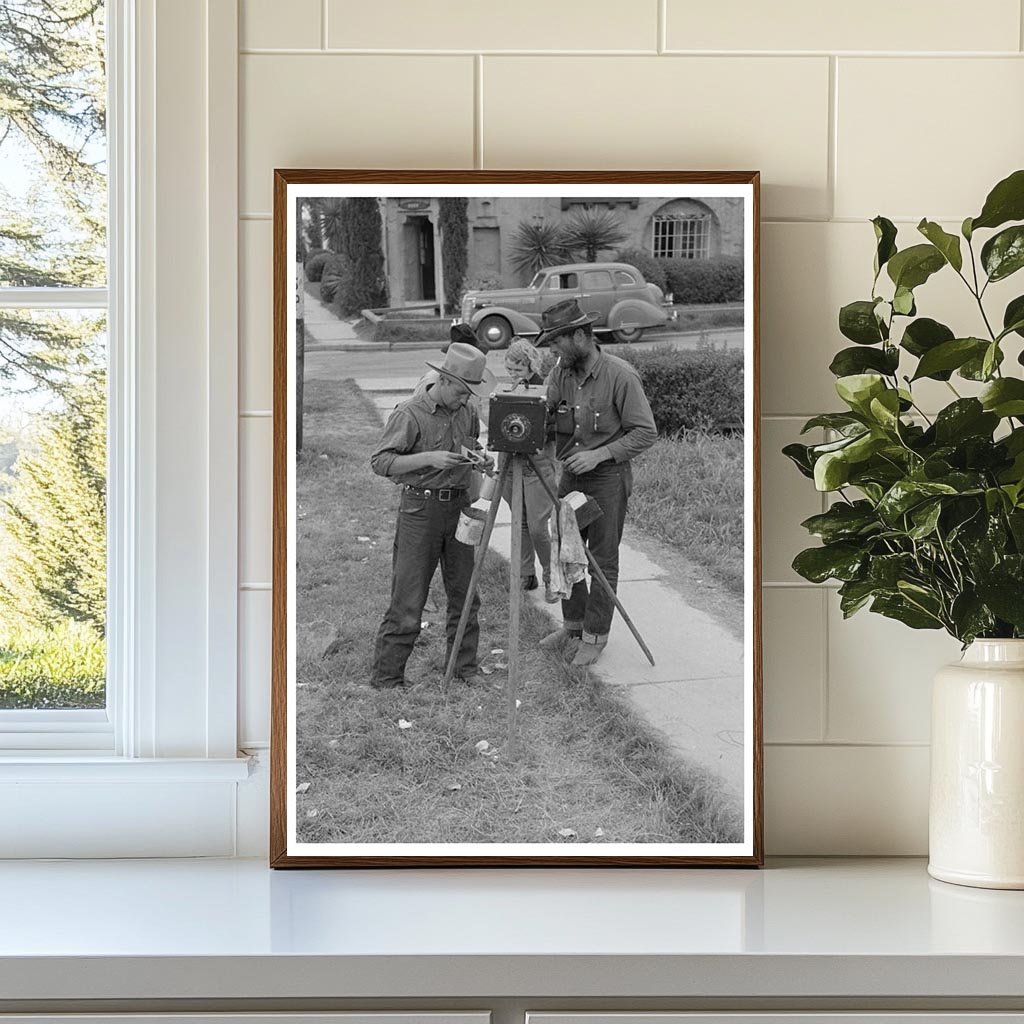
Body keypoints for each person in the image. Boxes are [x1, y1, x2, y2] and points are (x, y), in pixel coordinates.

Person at [537, 298, 657, 667]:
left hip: (607, 477)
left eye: (557, 341)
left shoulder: (620, 375)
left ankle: (594, 636)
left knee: (603, 560)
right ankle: (572, 626)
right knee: (566, 552)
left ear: (578, 336)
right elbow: (544, 415)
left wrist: (600, 454)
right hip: (571, 475)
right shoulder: (561, 374)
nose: (553, 349)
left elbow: (646, 433)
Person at [368, 343, 495, 689]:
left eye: (471, 393)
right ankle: (388, 678)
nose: (466, 399)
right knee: (409, 597)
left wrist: (482, 460)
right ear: (443, 379)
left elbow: (472, 446)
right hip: (419, 511)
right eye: (461, 391)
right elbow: (380, 462)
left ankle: (463, 668)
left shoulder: (466, 410)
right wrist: (430, 459)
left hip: (458, 509)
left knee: (466, 594)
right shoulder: (410, 413)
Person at [500, 337, 558, 603]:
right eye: (510, 370)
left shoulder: (544, 388)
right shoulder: (507, 387)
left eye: (518, 370)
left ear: (530, 365)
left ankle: (551, 575)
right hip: (511, 462)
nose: (513, 375)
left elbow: (553, 425)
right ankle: (525, 573)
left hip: (537, 464)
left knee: (537, 526)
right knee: (519, 521)